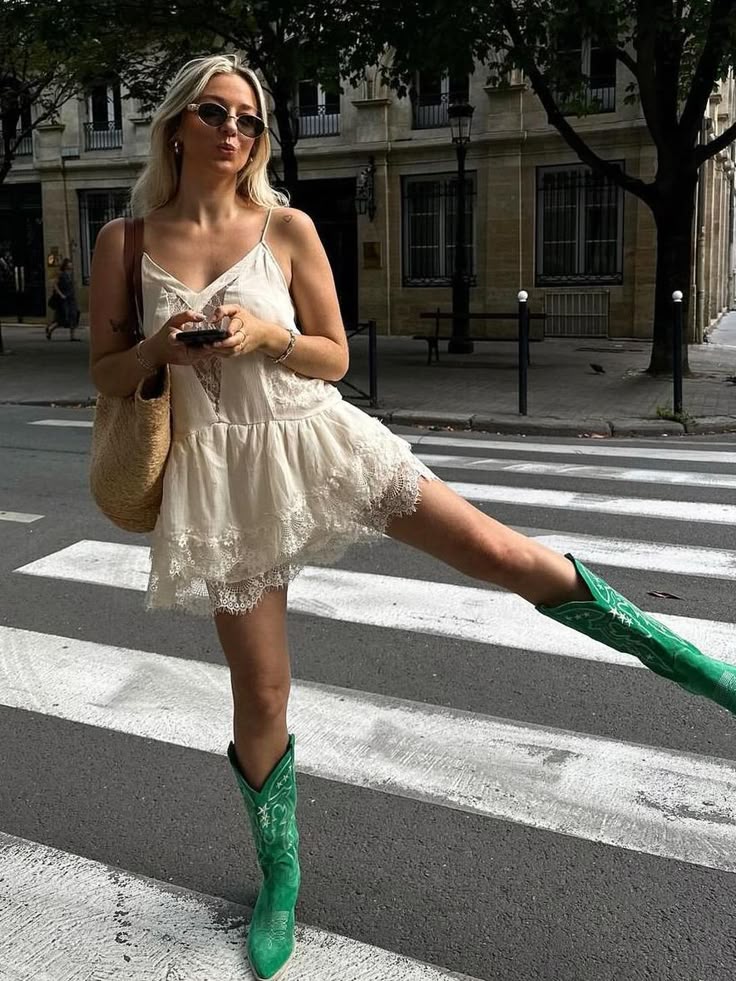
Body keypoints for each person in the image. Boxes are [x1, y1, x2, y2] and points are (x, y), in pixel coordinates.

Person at [88, 54, 736, 981]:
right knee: (263, 691)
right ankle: (280, 882)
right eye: (215, 112)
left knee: (496, 550)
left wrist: (268, 337)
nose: (234, 130)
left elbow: (332, 355)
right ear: (178, 126)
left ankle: (696, 664)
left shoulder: (288, 226)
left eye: (249, 119)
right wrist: (161, 346)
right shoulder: (126, 239)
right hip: (220, 476)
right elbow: (107, 374)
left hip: (319, 440)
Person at [46, 258, 80, 340]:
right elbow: (55, 285)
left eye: (71, 263)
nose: (71, 265)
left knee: (74, 315)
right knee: (63, 318)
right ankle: (50, 330)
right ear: (65, 265)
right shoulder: (61, 274)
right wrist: (61, 295)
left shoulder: (70, 274)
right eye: (69, 263)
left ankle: (72, 336)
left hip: (71, 298)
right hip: (64, 299)